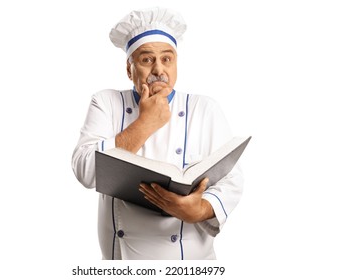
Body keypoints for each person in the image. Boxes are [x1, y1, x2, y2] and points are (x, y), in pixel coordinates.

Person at [72, 7, 243, 260]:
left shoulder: (204, 108)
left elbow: (232, 180)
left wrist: (199, 210)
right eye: (146, 59)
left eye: (167, 59)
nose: (158, 70)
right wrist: (146, 123)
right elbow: (86, 172)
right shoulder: (106, 103)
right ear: (129, 69)